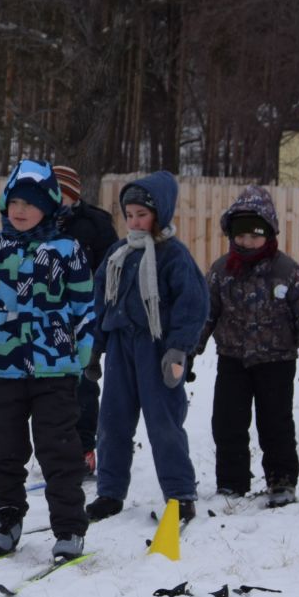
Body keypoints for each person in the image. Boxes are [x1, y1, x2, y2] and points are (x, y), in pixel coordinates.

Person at [0, 160, 97, 559]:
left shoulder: (68, 251)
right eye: (14, 202)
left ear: (49, 207)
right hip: (3, 370)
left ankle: (68, 528)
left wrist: (86, 355)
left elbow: (84, 307)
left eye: (30, 203)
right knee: (4, 451)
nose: (20, 210)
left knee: (59, 450)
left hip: (56, 370)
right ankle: (8, 519)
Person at [89, 172, 209, 524]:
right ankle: (110, 493)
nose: (135, 221)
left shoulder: (174, 256)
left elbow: (193, 305)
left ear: (160, 215)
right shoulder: (117, 254)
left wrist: (179, 349)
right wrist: (94, 349)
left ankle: (180, 494)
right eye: (129, 215)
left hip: (157, 352)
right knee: (112, 422)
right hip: (120, 348)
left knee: (164, 423)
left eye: (142, 214)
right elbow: (100, 303)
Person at [199, 187, 299, 508]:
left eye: (255, 236)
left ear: (269, 233)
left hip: (276, 361)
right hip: (232, 360)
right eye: (241, 236)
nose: (247, 243)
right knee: (227, 422)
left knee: (275, 422)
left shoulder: (287, 270)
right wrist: (187, 351)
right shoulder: (221, 271)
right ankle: (231, 480)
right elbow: (204, 313)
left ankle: (281, 480)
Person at [53, 164, 119, 474]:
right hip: (46, 319)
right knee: (49, 386)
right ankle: (54, 447)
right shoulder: (37, 223)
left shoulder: (96, 223)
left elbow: (112, 271)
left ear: (73, 195)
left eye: (60, 193)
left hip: (84, 317)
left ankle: (83, 449)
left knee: (83, 385)